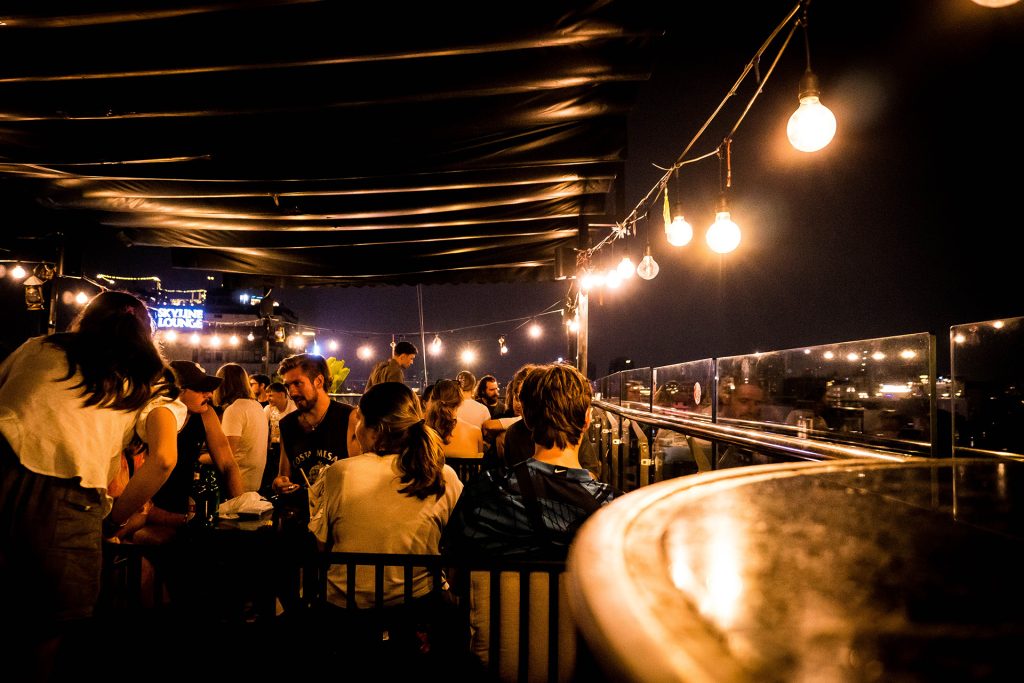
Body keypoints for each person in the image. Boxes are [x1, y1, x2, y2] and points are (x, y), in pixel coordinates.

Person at [0, 291, 183, 681]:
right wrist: (115, 519)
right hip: (67, 498)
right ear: (146, 333)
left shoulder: (38, 348)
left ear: (84, 319)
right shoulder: (148, 377)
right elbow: (164, 459)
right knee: (45, 633)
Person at [441, 364, 621, 678]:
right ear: (587, 419)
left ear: (526, 418)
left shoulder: (487, 491)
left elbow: (455, 579)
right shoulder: (613, 511)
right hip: (582, 670)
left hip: (495, 665)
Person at [309, 381, 463, 607]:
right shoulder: (443, 475)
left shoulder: (340, 473)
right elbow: (459, 544)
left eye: (359, 420)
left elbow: (321, 546)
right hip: (418, 607)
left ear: (377, 431)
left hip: (345, 607)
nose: (356, 429)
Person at [271, 353, 360, 611]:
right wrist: (280, 482)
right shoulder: (288, 424)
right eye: (288, 386)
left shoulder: (348, 417)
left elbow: (359, 471)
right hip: (300, 519)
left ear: (318, 381)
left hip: (338, 519)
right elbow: (283, 473)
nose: (292, 392)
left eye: (297, 383)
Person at [131, 360, 246, 544]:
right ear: (178, 391)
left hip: (190, 504)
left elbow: (227, 463)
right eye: (201, 389)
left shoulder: (205, 414)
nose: (209, 394)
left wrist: (241, 506)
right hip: (153, 508)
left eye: (209, 389)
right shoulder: (156, 415)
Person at [216, 362, 269, 492]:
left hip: (237, 485)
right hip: (255, 482)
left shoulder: (234, 410)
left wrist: (198, 457)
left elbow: (226, 456)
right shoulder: (256, 406)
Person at [426, 378, 485, 458]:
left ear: (432, 400)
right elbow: (479, 465)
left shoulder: (422, 433)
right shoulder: (476, 432)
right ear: (459, 402)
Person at [262, 381, 296, 493]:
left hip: (290, 447)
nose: (268, 398)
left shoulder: (294, 408)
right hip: (274, 447)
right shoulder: (268, 409)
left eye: (271, 395)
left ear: (281, 394)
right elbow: (263, 428)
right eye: (267, 395)